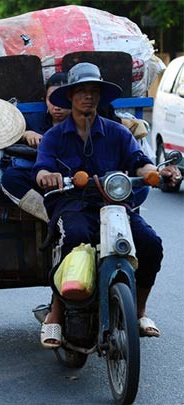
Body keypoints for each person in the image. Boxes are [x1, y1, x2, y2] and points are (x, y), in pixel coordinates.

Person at [33, 62, 181, 348]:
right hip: (71, 206)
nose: (88, 96)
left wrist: (154, 171)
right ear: (70, 97)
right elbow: (40, 169)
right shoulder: (54, 137)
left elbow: (139, 162)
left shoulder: (118, 133)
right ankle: (55, 314)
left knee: (150, 243)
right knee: (73, 241)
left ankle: (139, 312)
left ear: (100, 97)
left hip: (114, 206)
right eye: (81, 91)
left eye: (93, 91)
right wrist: (47, 177)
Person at [0, 72, 70, 222]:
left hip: (72, 178)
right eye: (52, 99)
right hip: (41, 179)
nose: (57, 106)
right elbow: (7, 136)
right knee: (11, 177)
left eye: (62, 99)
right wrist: (26, 134)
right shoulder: (33, 120)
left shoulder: (83, 122)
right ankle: (51, 219)